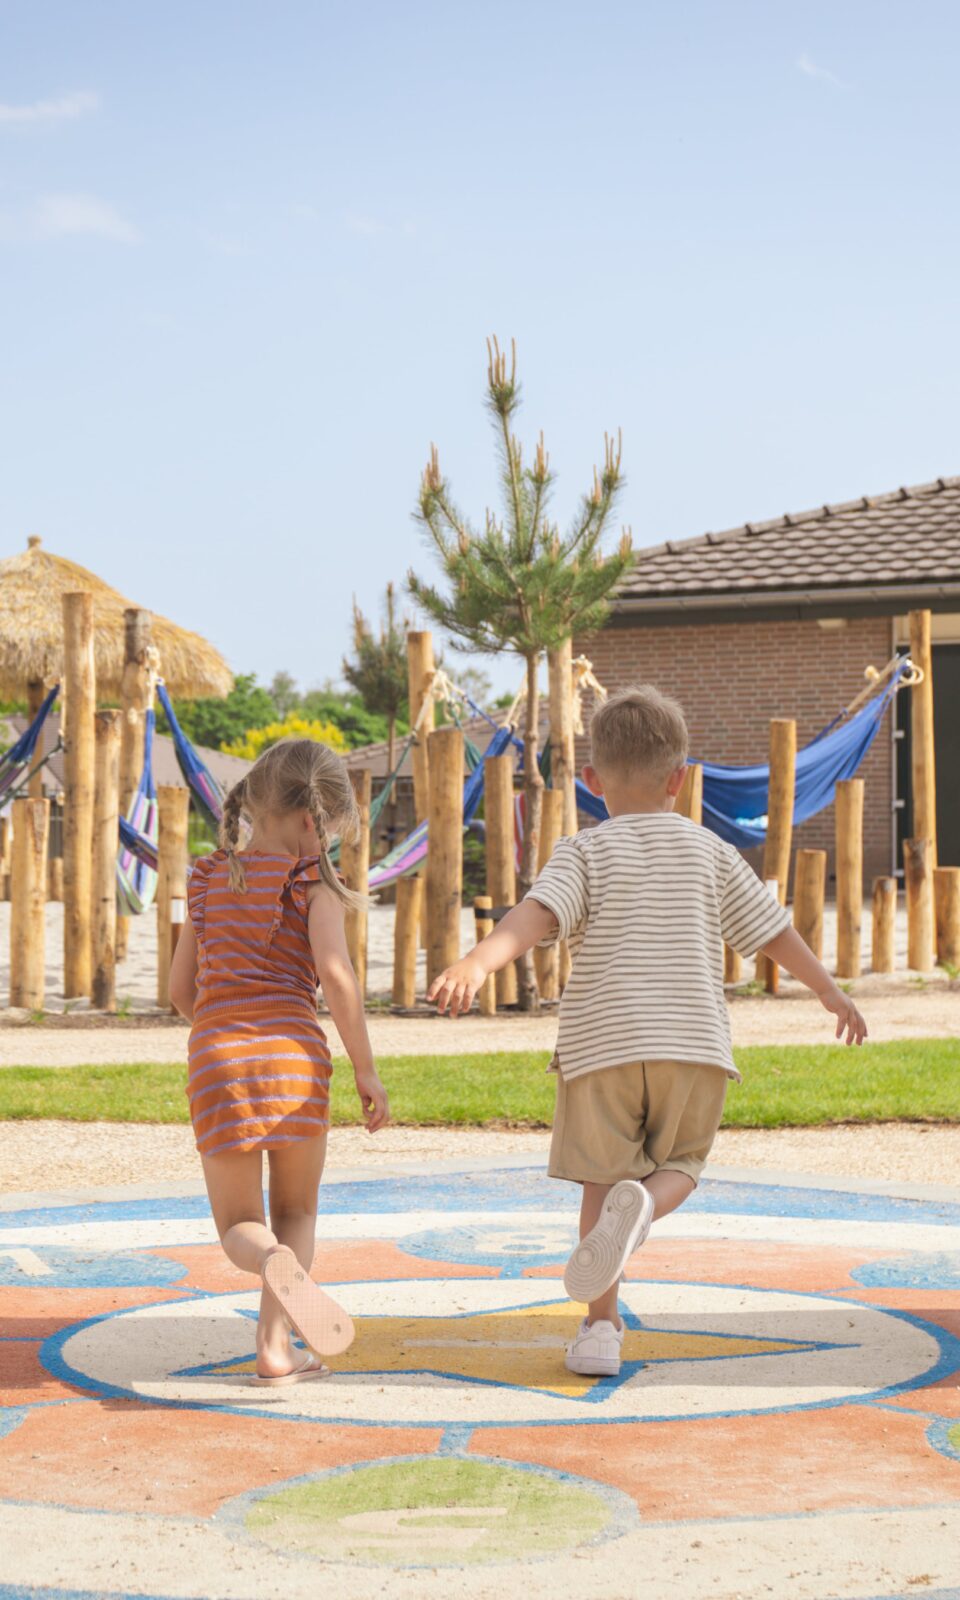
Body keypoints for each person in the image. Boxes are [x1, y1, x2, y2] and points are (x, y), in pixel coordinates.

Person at [428, 686, 866, 1378]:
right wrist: (829, 991)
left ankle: (600, 1329)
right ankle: (648, 1208)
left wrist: (477, 963)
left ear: (592, 781)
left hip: (601, 1047)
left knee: (601, 1185)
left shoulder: (583, 852)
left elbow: (534, 917)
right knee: (681, 1166)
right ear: (682, 778)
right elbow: (773, 931)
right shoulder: (711, 851)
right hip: (693, 1046)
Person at [169, 738, 389, 1387]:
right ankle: (274, 1344)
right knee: (297, 1211)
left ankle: (269, 1277)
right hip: (293, 1057)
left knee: (242, 1225)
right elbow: (336, 976)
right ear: (308, 822)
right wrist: (366, 1070)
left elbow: (183, 994)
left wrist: (224, 1031)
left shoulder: (207, 878)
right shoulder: (311, 882)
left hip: (216, 1059)